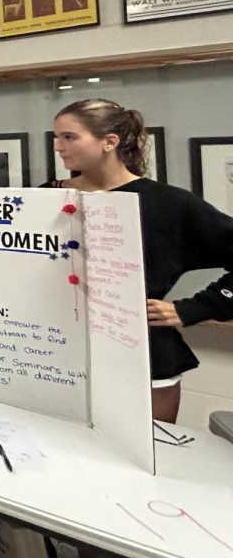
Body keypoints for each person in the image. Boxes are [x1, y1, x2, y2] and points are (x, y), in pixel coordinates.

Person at [49, 99, 233, 420]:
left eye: (69, 137)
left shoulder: (170, 205)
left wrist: (192, 308)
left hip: (145, 360)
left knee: (148, 461)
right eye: (56, 137)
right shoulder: (45, 198)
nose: (58, 147)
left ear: (109, 142)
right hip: (59, 355)